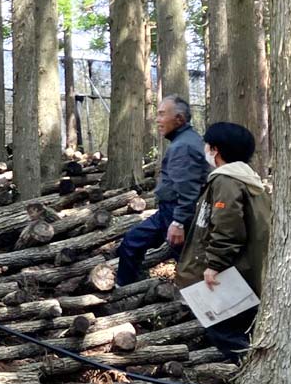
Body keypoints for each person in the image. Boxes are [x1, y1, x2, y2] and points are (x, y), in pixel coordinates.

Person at [174, 122, 270, 361]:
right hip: (247, 268)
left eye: (207, 145)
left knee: (223, 330)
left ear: (215, 150)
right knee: (237, 327)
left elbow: (227, 226)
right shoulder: (246, 178)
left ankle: (249, 370)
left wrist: (214, 264)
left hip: (234, 271)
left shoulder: (226, 181)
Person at [115, 95, 211, 286]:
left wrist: (179, 222)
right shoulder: (186, 140)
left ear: (179, 119)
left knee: (188, 263)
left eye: (161, 114)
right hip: (170, 212)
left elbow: (188, 188)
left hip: (178, 213)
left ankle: (216, 308)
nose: (157, 120)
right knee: (133, 243)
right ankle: (128, 290)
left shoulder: (184, 146)